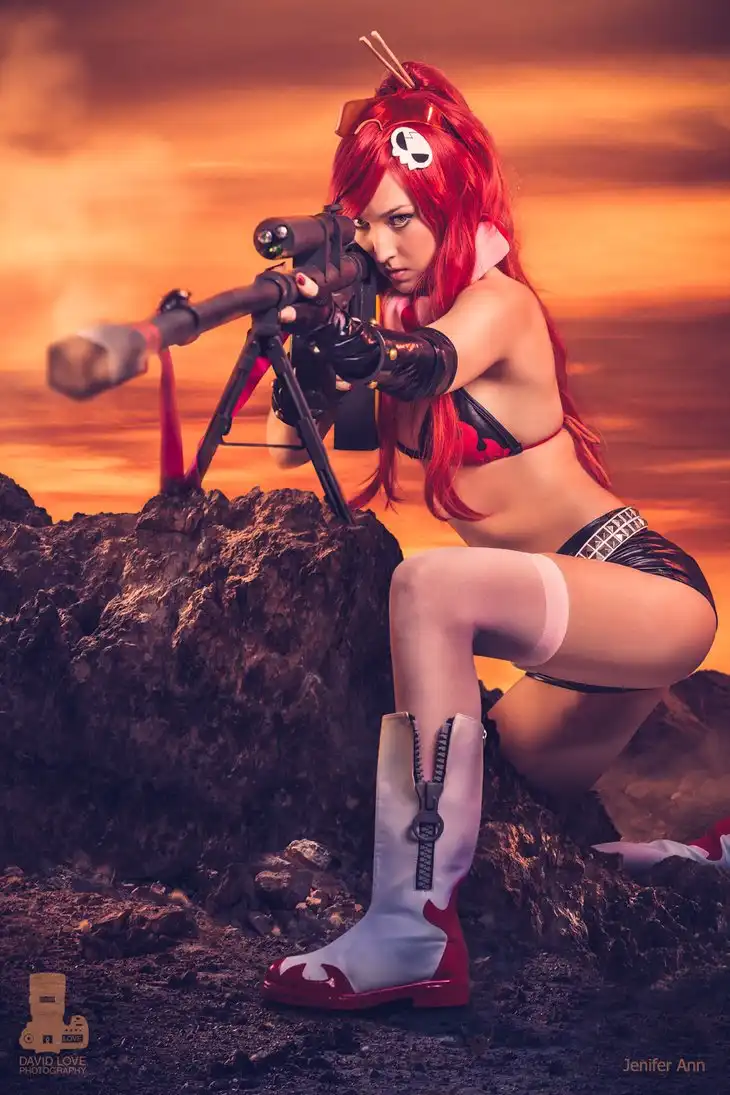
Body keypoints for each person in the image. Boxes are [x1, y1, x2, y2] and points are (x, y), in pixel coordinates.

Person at [260, 33, 723, 1011]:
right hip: (570, 655)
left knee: (430, 583)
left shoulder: (495, 307)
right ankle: (694, 859)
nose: (382, 246)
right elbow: (288, 449)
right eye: (363, 225)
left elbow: (426, 364)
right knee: (509, 772)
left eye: (401, 218)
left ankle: (411, 931)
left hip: (641, 586)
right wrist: (297, 340)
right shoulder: (387, 332)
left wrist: (346, 336)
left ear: (454, 205)